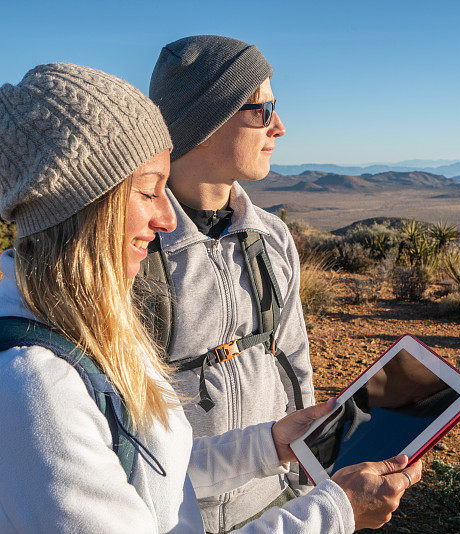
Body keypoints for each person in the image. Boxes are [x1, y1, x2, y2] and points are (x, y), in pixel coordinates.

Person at [0, 62, 422, 533]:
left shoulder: (89, 336)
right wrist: (336, 513)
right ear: (85, 206)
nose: (168, 220)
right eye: (148, 191)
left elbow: (151, 475)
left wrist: (270, 444)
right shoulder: (35, 391)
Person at [145, 35, 313, 532]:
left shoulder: (272, 237)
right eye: (263, 111)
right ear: (205, 122)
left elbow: (294, 364)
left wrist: (307, 482)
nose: (279, 127)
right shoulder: (133, 251)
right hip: (173, 516)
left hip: (272, 503)